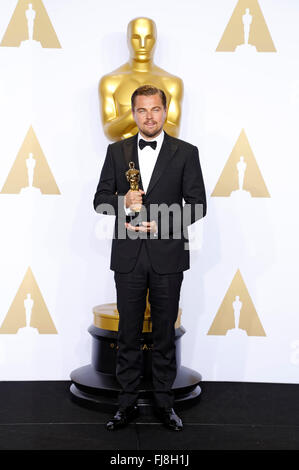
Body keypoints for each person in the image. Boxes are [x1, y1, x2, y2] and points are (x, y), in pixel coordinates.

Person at [93, 85, 207, 431]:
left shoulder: (186, 152)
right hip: (128, 256)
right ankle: (124, 405)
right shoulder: (117, 151)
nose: (149, 117)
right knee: (127, 334)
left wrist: (166, 221)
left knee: (163, 335)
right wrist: (122, 204)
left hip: (168, 256)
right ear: (134, 113)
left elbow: (198, 203)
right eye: (142, 110)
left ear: (165, 111)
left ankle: (164, 404)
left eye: (155, 109)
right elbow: (99, 200)